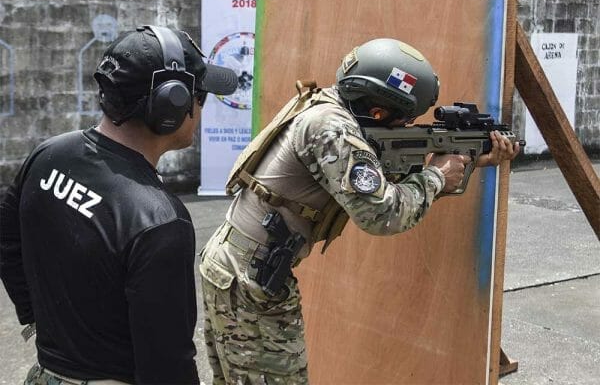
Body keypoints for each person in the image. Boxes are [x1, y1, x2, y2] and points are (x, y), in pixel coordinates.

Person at [198, 38, 520, 385]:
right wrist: (437, 177)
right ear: (379, 110)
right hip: (252, 277)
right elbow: (383, 214)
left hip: (238, 264)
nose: (404, 127)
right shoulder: (333, 129)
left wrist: (470, 160)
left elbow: (378, 181)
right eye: (404, 119)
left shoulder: (326, 107)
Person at [0, 25, 238, 384]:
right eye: (200, 95)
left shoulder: (49, 154)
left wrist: (39, 322)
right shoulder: (160, 221)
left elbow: (6, 239)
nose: (202, 107)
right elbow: (167, 367)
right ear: (172, 105)